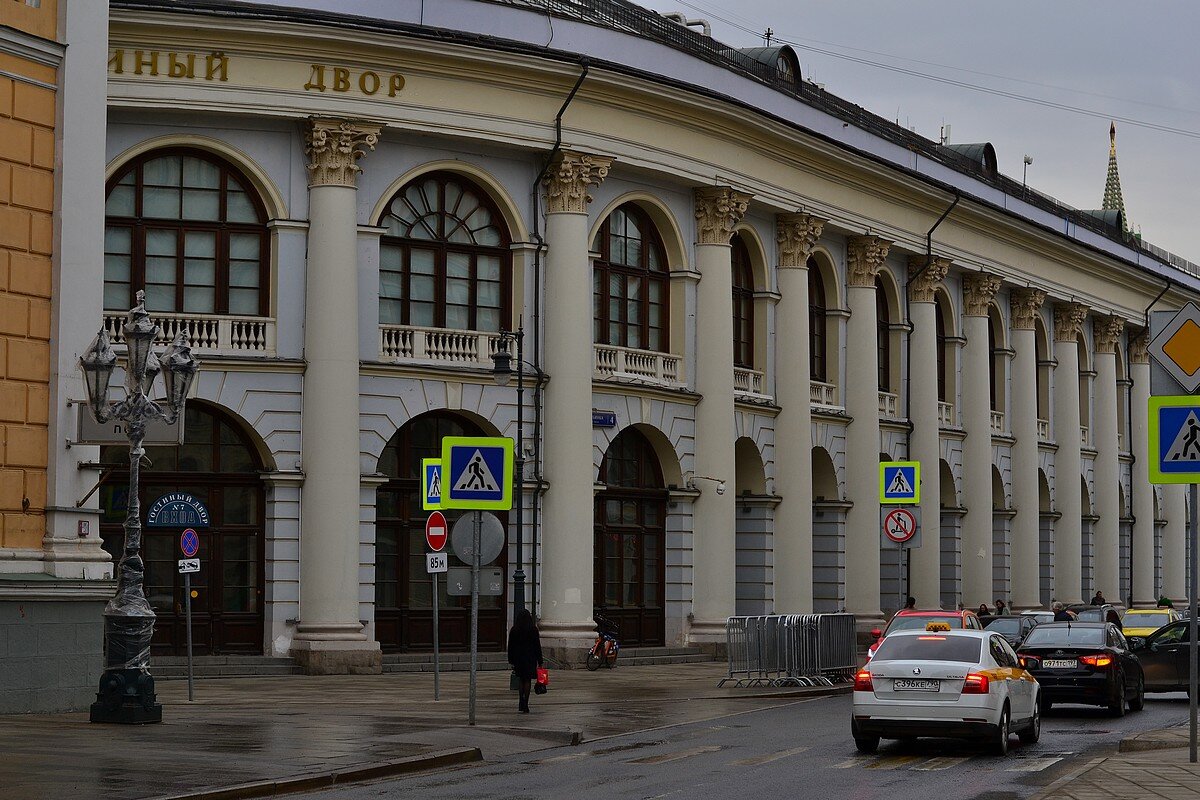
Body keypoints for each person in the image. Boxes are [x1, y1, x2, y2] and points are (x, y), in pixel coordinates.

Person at [507, 608, 543, 714]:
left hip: (518, 658)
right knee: (527, 680)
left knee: (521, 680)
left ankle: (521, 701)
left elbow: (511, 647)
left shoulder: (514, 630)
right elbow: (537, 646)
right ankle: (526, 703)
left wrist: (511, 660)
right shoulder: (533, 629)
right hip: (530, 658)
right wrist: (540, 660)